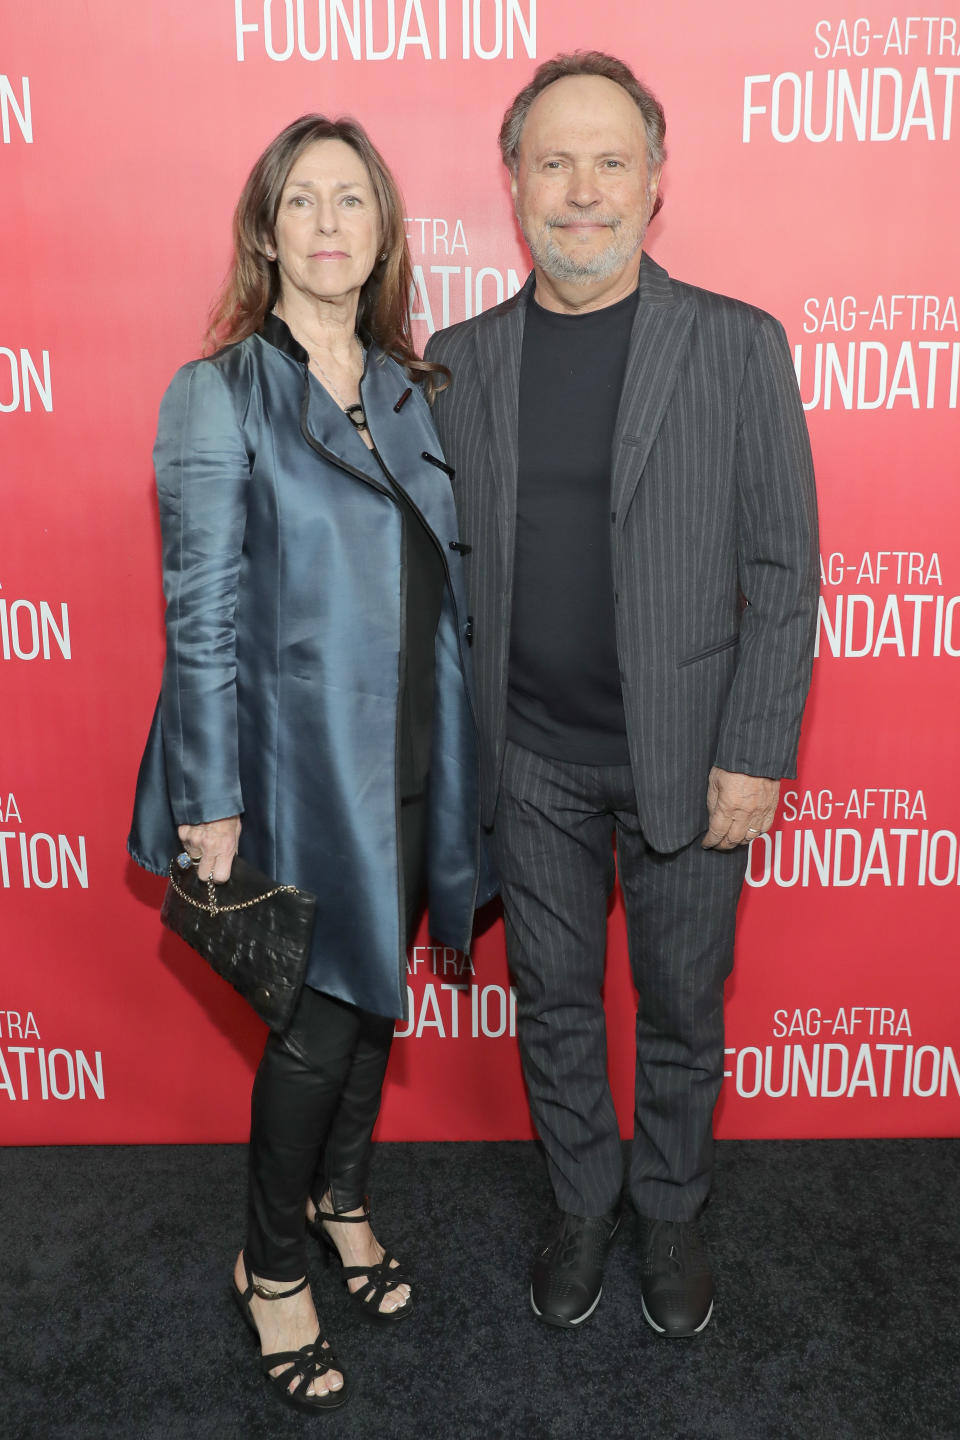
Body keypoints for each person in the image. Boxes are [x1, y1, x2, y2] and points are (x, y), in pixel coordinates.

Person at [425, 52, 819, 1336]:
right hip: (525, 754)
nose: (580, 190)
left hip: (693, 754)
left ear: (656, 181)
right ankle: (584, 1204)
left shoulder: (736, 345)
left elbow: (783, 568)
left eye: (609, 161)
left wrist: (756, 753)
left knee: (684, 1010)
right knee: (552, 1005)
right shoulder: (458, 360)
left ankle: (671, 1210)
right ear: (515, 182)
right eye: (554, 161)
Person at [129, 114, 489, 1411]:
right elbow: (202, 610)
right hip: (294, 772)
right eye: (304, 201)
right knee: (319, 1020)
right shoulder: (218, 393)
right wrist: (210, 800)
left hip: (411, 756)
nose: (331, 223)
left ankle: (342, 1199)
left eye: (354, 200)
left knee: (370, 998)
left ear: (385, 229)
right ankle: (269, 1266)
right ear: (267, 232)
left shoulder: (412, 386)